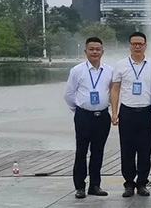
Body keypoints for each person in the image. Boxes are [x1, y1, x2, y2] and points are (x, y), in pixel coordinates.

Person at [64, 37, 113, 199]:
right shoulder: (77, 71)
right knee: (81, 151)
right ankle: (79, 187)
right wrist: (79, 109)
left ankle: (95, 185)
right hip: (83, 116)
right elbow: (69, 94)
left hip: (102, 116)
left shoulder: (109, 71)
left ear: (102, 52)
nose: (95, 52)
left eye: (98, 49)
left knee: (98, 152)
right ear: (85, 51)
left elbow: (113, 92)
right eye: (91, 49)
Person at [111, 31, 151, 198]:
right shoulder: (120, 65)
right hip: (127, 112)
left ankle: (142, 183)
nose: (137, 46)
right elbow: (115, 89)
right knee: (127, 150)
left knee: (145, 150)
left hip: (146, 112)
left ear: (145, 46)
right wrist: (114, 112)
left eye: (140, 44)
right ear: (129, 45)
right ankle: (129, 183)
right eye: (134, 44)